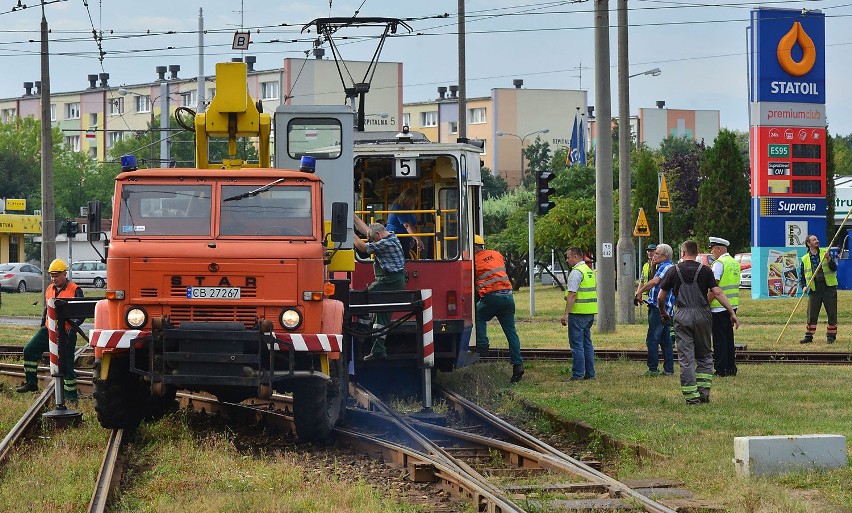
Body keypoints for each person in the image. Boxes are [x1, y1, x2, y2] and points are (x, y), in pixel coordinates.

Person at [658, 241, 739, 405]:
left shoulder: (674, 270)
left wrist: (663, 312)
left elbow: (661, 296)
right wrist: (731, 312)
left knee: (686, 358)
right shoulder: (706, 270)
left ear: (682, 253)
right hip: (703, 314)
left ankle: (691, 397)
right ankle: (704, 394)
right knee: (705, 356)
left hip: (682, 314)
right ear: (697, 252)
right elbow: (717, 292)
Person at [16, 258, 84, 403]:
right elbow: (47, 309)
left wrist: (72, 329)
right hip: (48, 329)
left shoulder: (75, 290)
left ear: (64, 274)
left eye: (56, 275)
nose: (54, 278)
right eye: (52, 275)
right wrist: (42, 325)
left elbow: (81, 314)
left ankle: (72, 398)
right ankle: (31, 383)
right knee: (29, 350)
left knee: (66, 366)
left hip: (66, 332)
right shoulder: (49, 289)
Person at [353, 216, 407, 361]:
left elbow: (363, 247)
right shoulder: (388, 234)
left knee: (364, 297)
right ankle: (378, 350)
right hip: (394, 280)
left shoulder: (385, 243)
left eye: (373, 239)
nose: (373, 241)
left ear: (378, 235)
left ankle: (362, 330)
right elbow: (367, 231)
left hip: (390, 280)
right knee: (382, 317)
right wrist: (353, 217)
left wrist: (347, 232)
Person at [473, 235, 524, 383]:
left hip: (491, 297)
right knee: (511, 333)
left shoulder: (474, 260)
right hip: (508, 297)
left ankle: (482, 345)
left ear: (473, 246)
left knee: (478, 315)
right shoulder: (496, 254)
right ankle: (517, 365)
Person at [633, 244, 675, 377]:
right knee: (665, 340)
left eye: (657, 253)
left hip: (659, 308)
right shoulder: (663, 266)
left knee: (652, 339)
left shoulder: (666, 267)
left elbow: (655, 282)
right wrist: (652, 266)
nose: (653, 255)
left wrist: (639, 291)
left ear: (665, 256)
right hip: (662, 307)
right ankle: (668, 369)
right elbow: (653, 278)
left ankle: (652, 369)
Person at [560, 247, 597, 381]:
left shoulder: (576, 272)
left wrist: (565, 314)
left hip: (578, 312)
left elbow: (573, 294)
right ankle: (590, 373)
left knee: (577, 345)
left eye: (568, 257)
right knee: (587, 343)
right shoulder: (588, 271)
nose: (567, 259)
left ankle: (578, 374)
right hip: (589, 312)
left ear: (576, 257)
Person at [708, 237, 741, 376]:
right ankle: (731, 367)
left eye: (713, 249)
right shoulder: (734, 262)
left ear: (719, 249)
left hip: (718, 306)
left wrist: (705, 303)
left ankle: (721, 369)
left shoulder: (719, 263)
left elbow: (713, 287)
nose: (711, 252)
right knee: (728, 338)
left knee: (719, 339)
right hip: (732, 306)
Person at [798, 234, 838, 344]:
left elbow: (834, 268)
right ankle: (808, 336)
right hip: (814, 290)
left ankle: (831, 337)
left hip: (828, 288)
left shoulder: (825, 252)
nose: (817, 241)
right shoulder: (805, 259)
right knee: (812, 314)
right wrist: (804, 286)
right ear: (808, 243)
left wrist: (829, 259)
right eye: (814, 240)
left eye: (817, 239)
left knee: (832, 313)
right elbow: (801, 276)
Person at [385, 188, 425, 259]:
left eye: (414, 200)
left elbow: (411, 225)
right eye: (411, 200)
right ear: (405, 198)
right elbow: (407, 225)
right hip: (395, 237)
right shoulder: (398, 208)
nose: (413, 202)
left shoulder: (408, 209)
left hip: (404, 238)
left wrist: (411, 238)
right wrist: (417, 239)